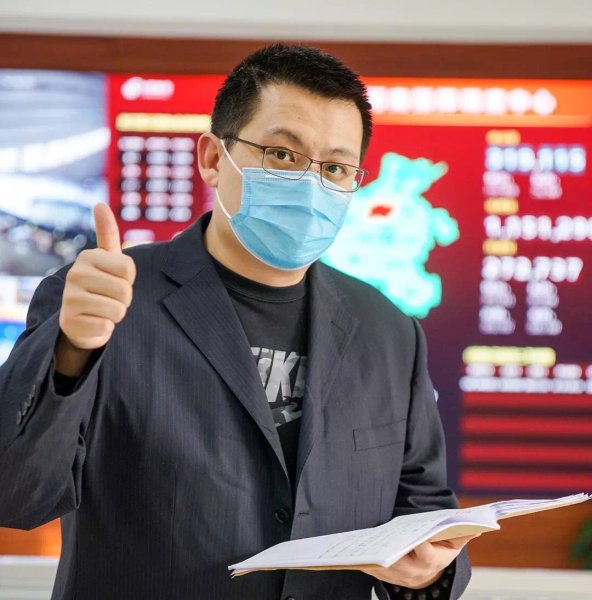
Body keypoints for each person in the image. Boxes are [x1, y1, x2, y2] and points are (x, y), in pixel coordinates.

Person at [0, 44, 475, 600]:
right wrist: (72, 351)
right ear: (212, 158)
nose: (310, 183)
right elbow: (15, 497)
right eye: (282, 154)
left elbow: (425, 509)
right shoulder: (107, 299)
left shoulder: (388, 331)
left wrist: (432, 570)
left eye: (335, 168)